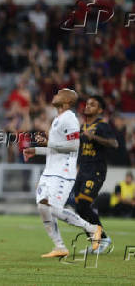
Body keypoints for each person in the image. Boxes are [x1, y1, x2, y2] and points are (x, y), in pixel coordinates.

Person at [23, 89, 102, 258]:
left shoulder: (70, 118)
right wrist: (36, 150)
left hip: (63, 172)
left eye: (59, 93)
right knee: (43, 206)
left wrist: (48, 143)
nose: (55, 95)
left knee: (54, 208)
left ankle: (93, 228)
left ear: (66, 102)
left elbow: (74, 146)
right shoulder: (58, 119)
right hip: (50, 171)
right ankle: (60, 246)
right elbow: (55, 149)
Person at [72, 95, 118, 254]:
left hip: (96, 170)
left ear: (100, 110)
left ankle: (103, 238)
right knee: (79, 208)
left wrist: (95, 137)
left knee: (84, 204)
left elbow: (114, 143)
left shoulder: (102, 126)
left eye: (93, 105)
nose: (88, 106)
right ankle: (95, 243)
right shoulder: (83, 126)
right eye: (87, 103)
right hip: (83, 170)